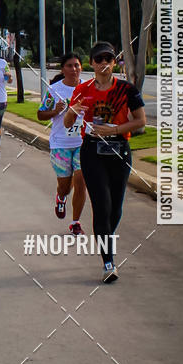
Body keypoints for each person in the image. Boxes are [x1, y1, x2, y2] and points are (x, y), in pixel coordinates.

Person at [63, 41, 145, 283]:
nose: (104, 63)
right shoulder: (83, 89)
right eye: (99, 59)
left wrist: (113, 130)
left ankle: (105, 236)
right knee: (102, 205)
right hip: (92, 152)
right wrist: (72, 111)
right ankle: (108, 262)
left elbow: (140, 121)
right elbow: (68, 123)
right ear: (92, 63)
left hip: (119, 150)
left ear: (113, 62)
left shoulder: (127, 90)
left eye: (108, 58)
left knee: (115, 209)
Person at [37, 52, 86, 233]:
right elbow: (40, 114)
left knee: (81, 181)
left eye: (77, 65)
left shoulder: (88, 88)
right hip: (60, 144)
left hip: (83, 142)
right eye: (70, 66)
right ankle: (61, 197)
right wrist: (55, 111)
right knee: (65, 185)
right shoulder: (54, 90)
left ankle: (75, 223)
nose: (74, 69)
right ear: (63, 69)